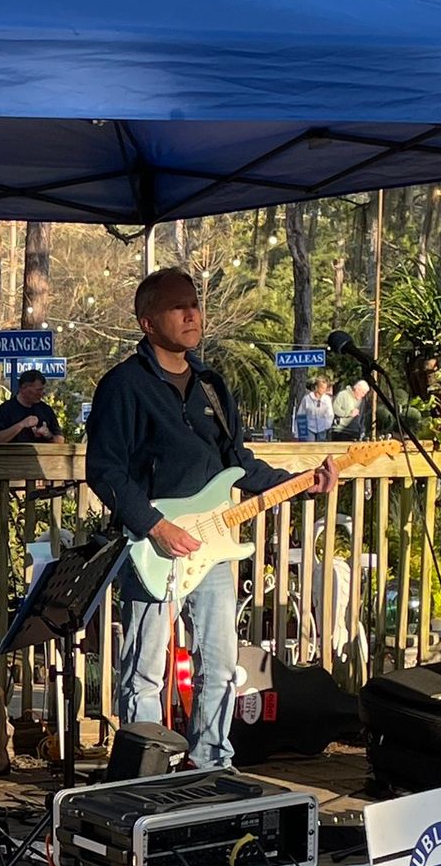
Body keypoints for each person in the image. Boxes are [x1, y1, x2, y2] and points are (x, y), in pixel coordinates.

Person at [85, 266, 336, 768]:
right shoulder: (124, 386)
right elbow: (104, 469)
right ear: (148, 323)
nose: (192, 313)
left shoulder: (211, 386)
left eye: (194, 303)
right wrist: (156, 525)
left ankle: (212, 763)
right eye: (177, 306)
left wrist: (303, 481)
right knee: (144, 674)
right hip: (150, 548)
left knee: (220, 665)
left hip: (214, 546)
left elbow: (238, 465)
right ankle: (143, 775)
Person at [0, 369, 62, 443]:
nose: (41, 393)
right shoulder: (5, 410)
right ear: (23, 388)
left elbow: (60, 440)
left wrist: (49, 435)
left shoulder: (46, 410)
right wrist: (21, 424)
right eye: (38, 390)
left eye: (42, 389)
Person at [293, 378, 335, 442]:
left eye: (325, 388)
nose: (324, 390)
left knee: (320, 449)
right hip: (309, 428)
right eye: (322, 388)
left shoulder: (327, 399)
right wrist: (298, 433)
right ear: (317, 387)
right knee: (310, 448)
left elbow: (330, 414)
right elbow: (301, 415)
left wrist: (326, 425)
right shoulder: (306, 399)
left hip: (322, 429)